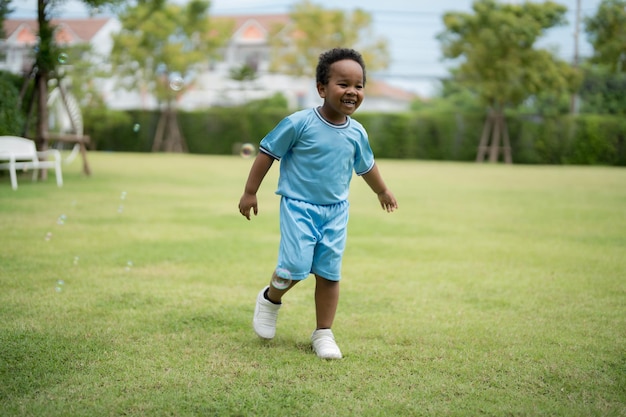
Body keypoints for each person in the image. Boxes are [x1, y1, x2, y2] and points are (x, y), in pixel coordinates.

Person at [238, 48, 398, 359]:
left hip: (336, 212)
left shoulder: (357, 133)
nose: (352, 91)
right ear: (322, 88)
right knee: (295, 268)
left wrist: (382, 191)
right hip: (299, 207)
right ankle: (271, 299)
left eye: (359, 85)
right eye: (343, 84)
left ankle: (323, 332)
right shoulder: (299, 123)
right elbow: (267, 152)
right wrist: (250, 191)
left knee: (329, 273)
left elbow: (366, 166)